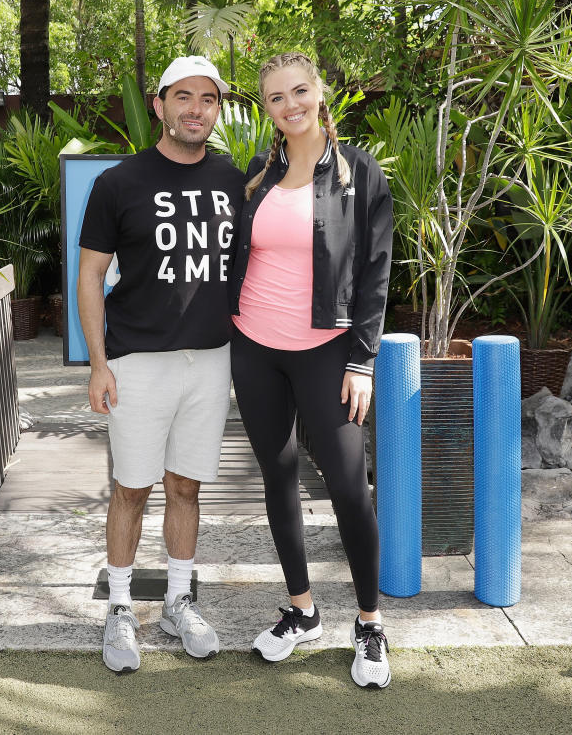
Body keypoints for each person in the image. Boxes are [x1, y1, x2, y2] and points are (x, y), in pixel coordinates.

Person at [228, 52, 394, 688]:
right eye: (275, 97)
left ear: (321, 93)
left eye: (300, 91)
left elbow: (376, 272)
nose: (290, 105)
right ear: (264, 108)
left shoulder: (359, 173)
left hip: (329, 350)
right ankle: (302, 610)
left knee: (349, 486)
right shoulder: (258, 173)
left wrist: (363, 360)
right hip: (255, 347)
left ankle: (370, 622)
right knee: (279, 476)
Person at [78, 56, 246, 673]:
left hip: (210, 359)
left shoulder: (231, 180)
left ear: (217, 110)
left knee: (187, 485)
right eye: (183, 97)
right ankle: (120, 608)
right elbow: (91, 277)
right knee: (132, 488)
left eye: (207, 99)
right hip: (138, 360)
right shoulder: (118, 183)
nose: (195, 109)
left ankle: (178, 599)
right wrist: (99, 365)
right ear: (159, 105)